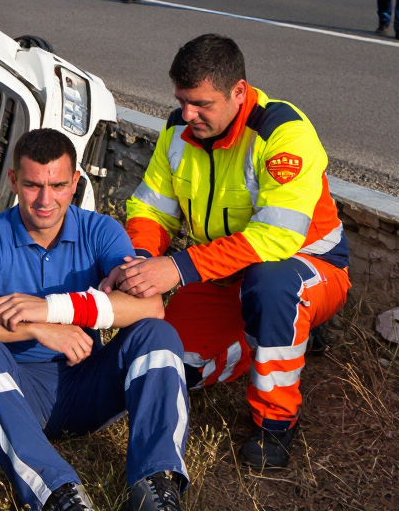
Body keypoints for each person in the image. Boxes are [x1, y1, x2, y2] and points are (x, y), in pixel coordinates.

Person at [116, 34, 350, 470]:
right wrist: (141, 259)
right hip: (222, 274)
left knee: (272, 287)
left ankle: (275, 423)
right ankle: (275, 334)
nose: (188, 114)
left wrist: (178, 268)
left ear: (238, 92)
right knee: (169, 367)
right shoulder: (178, 129)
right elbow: (151, 209)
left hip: (305, 271)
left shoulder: (283, 133)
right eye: (181, 100)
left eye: (201, 104)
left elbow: (276, 239)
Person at [0, 129, 190, 511]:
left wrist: (52, 309)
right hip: (17, 391)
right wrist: (37, 329)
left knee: (157, 334)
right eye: (32, 185)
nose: (45, 200)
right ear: (13, 181)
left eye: (57, 186)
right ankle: (59, 495)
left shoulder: (101, 230)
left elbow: (150, 307)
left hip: (87, 380)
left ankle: (156, 486)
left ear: (75, 183)